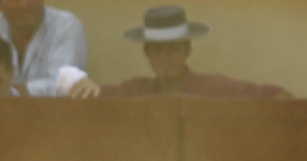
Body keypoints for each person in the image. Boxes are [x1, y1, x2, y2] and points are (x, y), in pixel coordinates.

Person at [78, 6, 292, 98]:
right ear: (147, 53)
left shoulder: (213, 88)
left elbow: (274, 95)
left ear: (187, 51)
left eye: (174, 49)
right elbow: (97, 95)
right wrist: (83, 84)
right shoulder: (135, 91)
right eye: (158, 50)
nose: (166, 58)